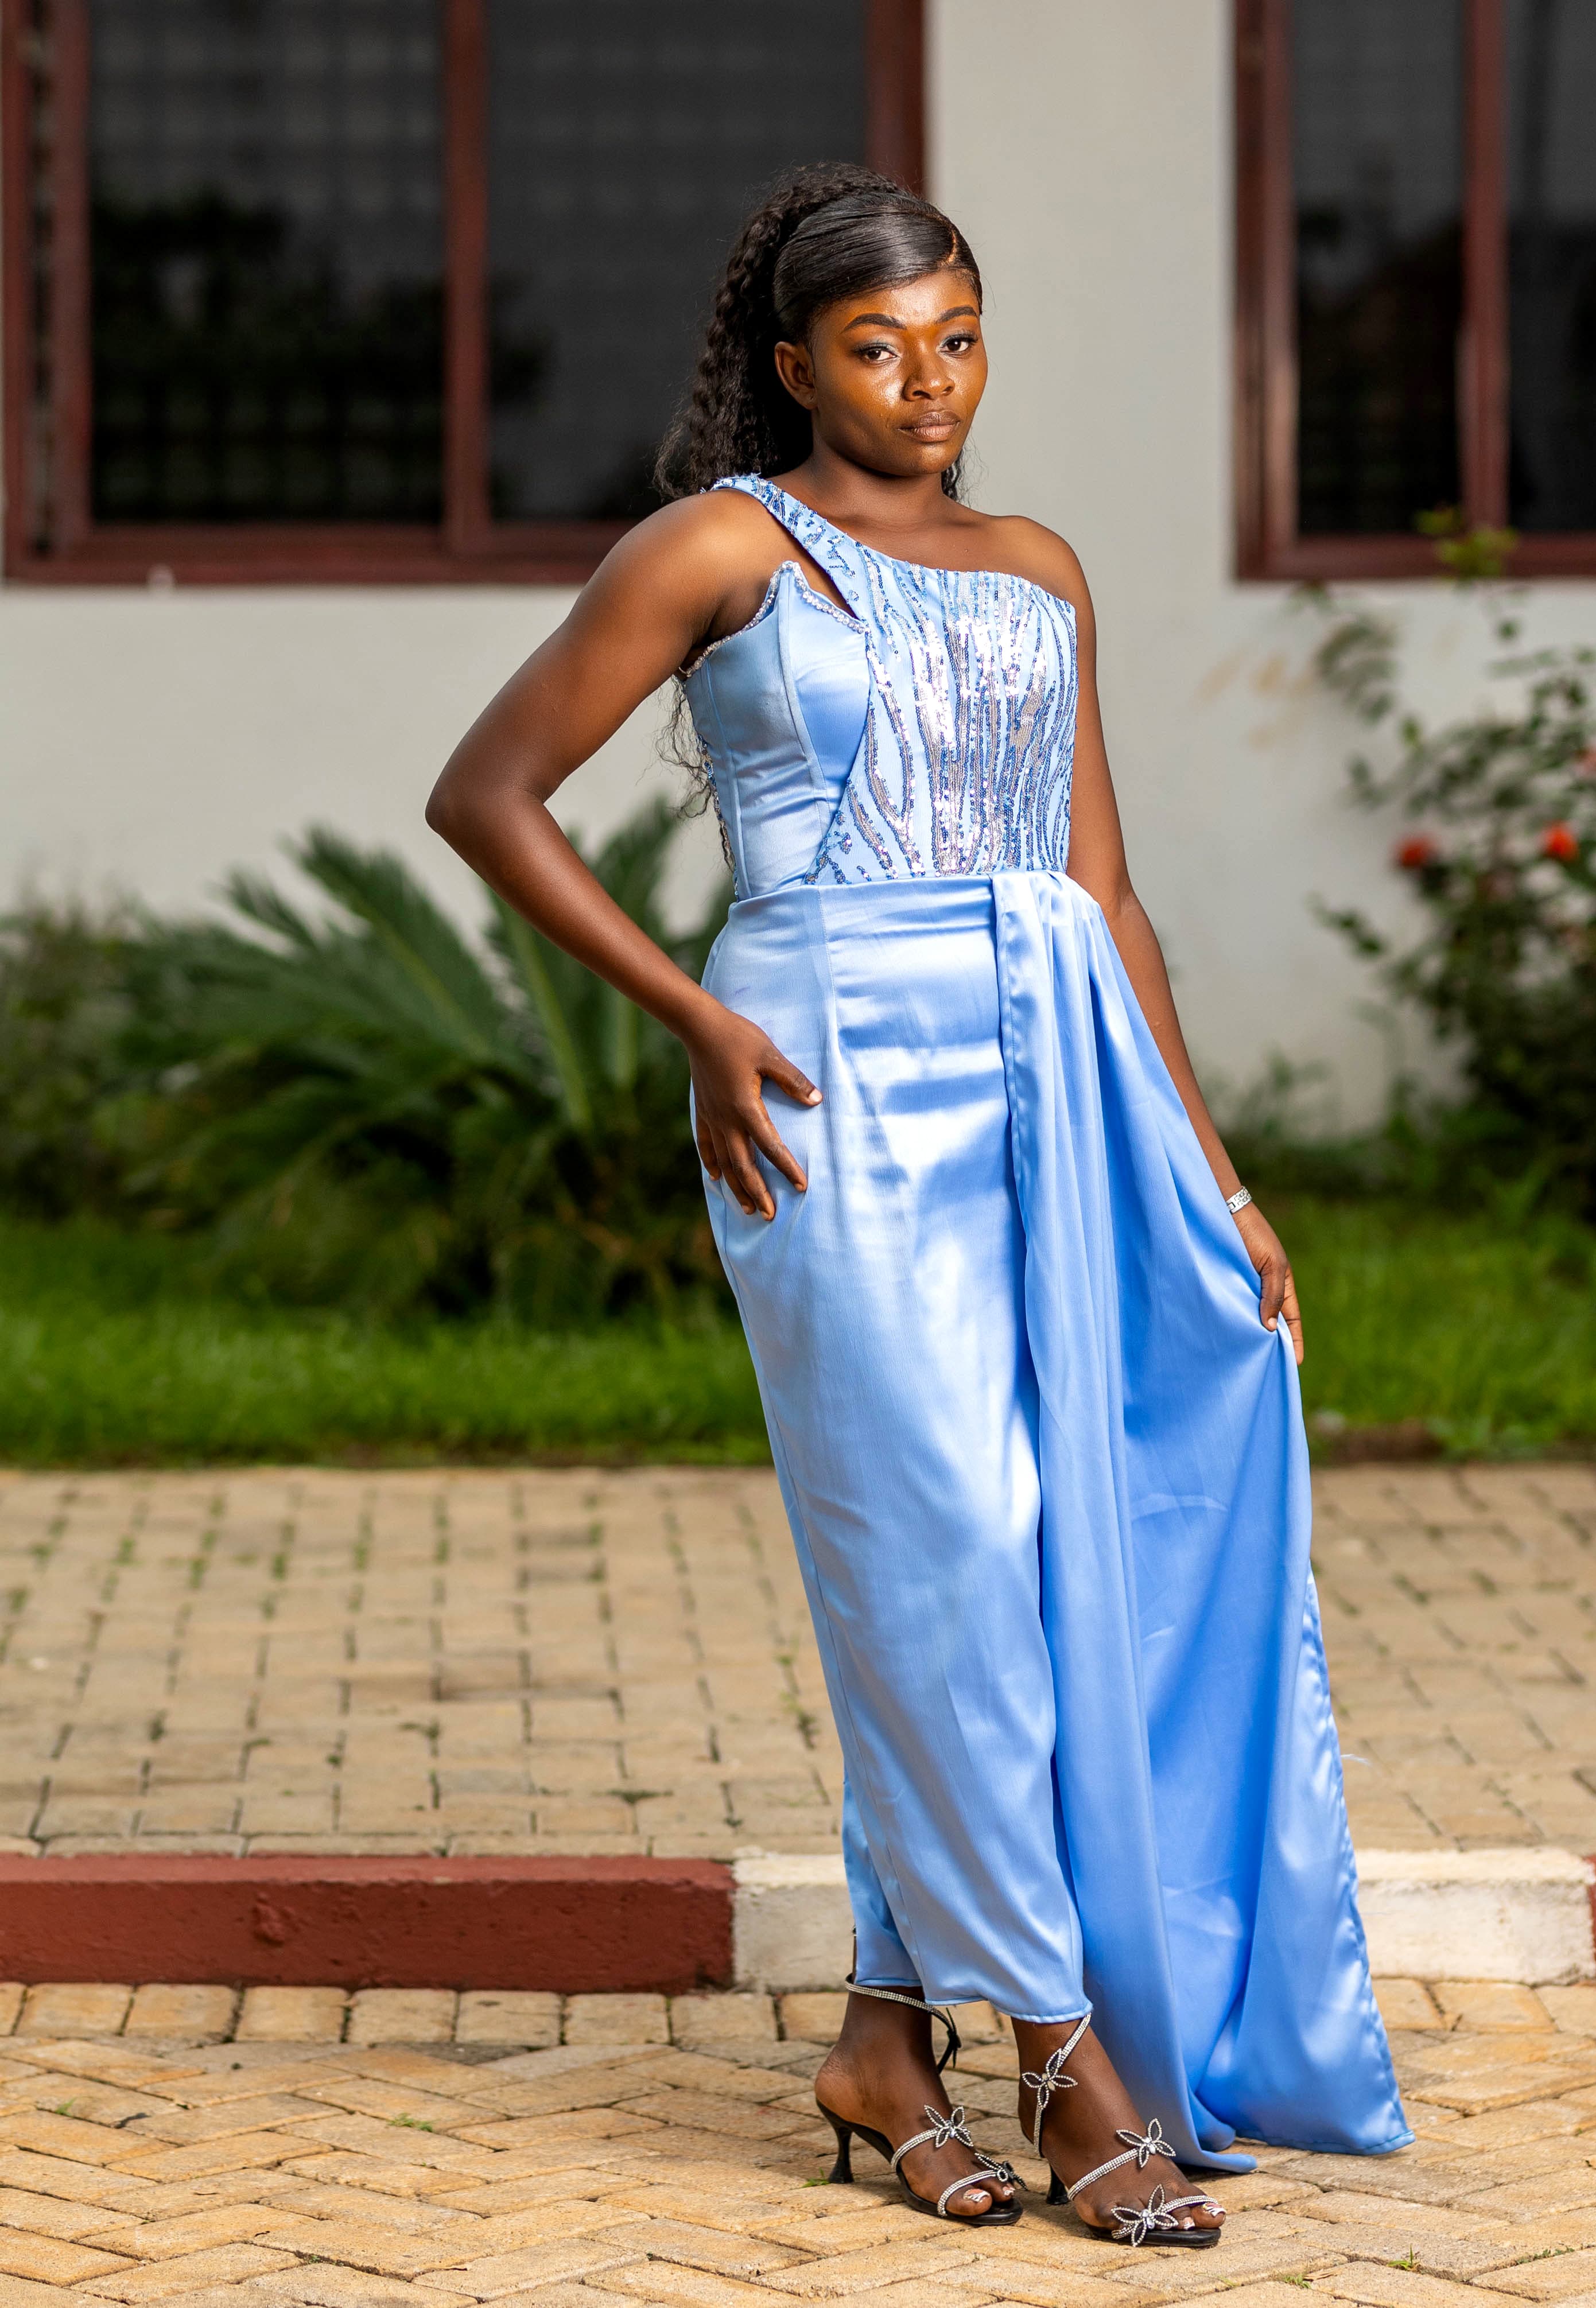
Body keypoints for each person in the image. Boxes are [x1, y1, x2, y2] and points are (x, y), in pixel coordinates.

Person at [428, 162, 1408, 2251]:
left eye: (959, 341)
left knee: (1034, 1547)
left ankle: (887, 2039)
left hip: (1053, 1066)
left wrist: (1216, 1178)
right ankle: (1063, 2056)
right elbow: (485, 794)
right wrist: (695, 1016)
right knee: (943, 1540)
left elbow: (1104, 895)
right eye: (878, 349)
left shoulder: (1035, 566)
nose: (927, 383)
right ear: (794, 366)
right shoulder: (717, 545)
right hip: (823, 1081)